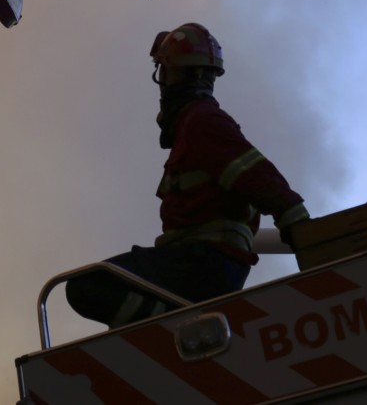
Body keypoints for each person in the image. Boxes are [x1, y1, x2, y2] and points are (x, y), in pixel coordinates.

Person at [66, 22, 309, 329]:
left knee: (91, 286)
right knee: (105, 287)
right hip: (203, 263)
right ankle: (168, 333)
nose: (162, 84)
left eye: (166, 72)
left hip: (203, 263)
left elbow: (257, 175)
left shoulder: (203, 122)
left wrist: (296, 222)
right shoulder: (194, 128)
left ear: (186, 75)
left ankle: (170, 335)